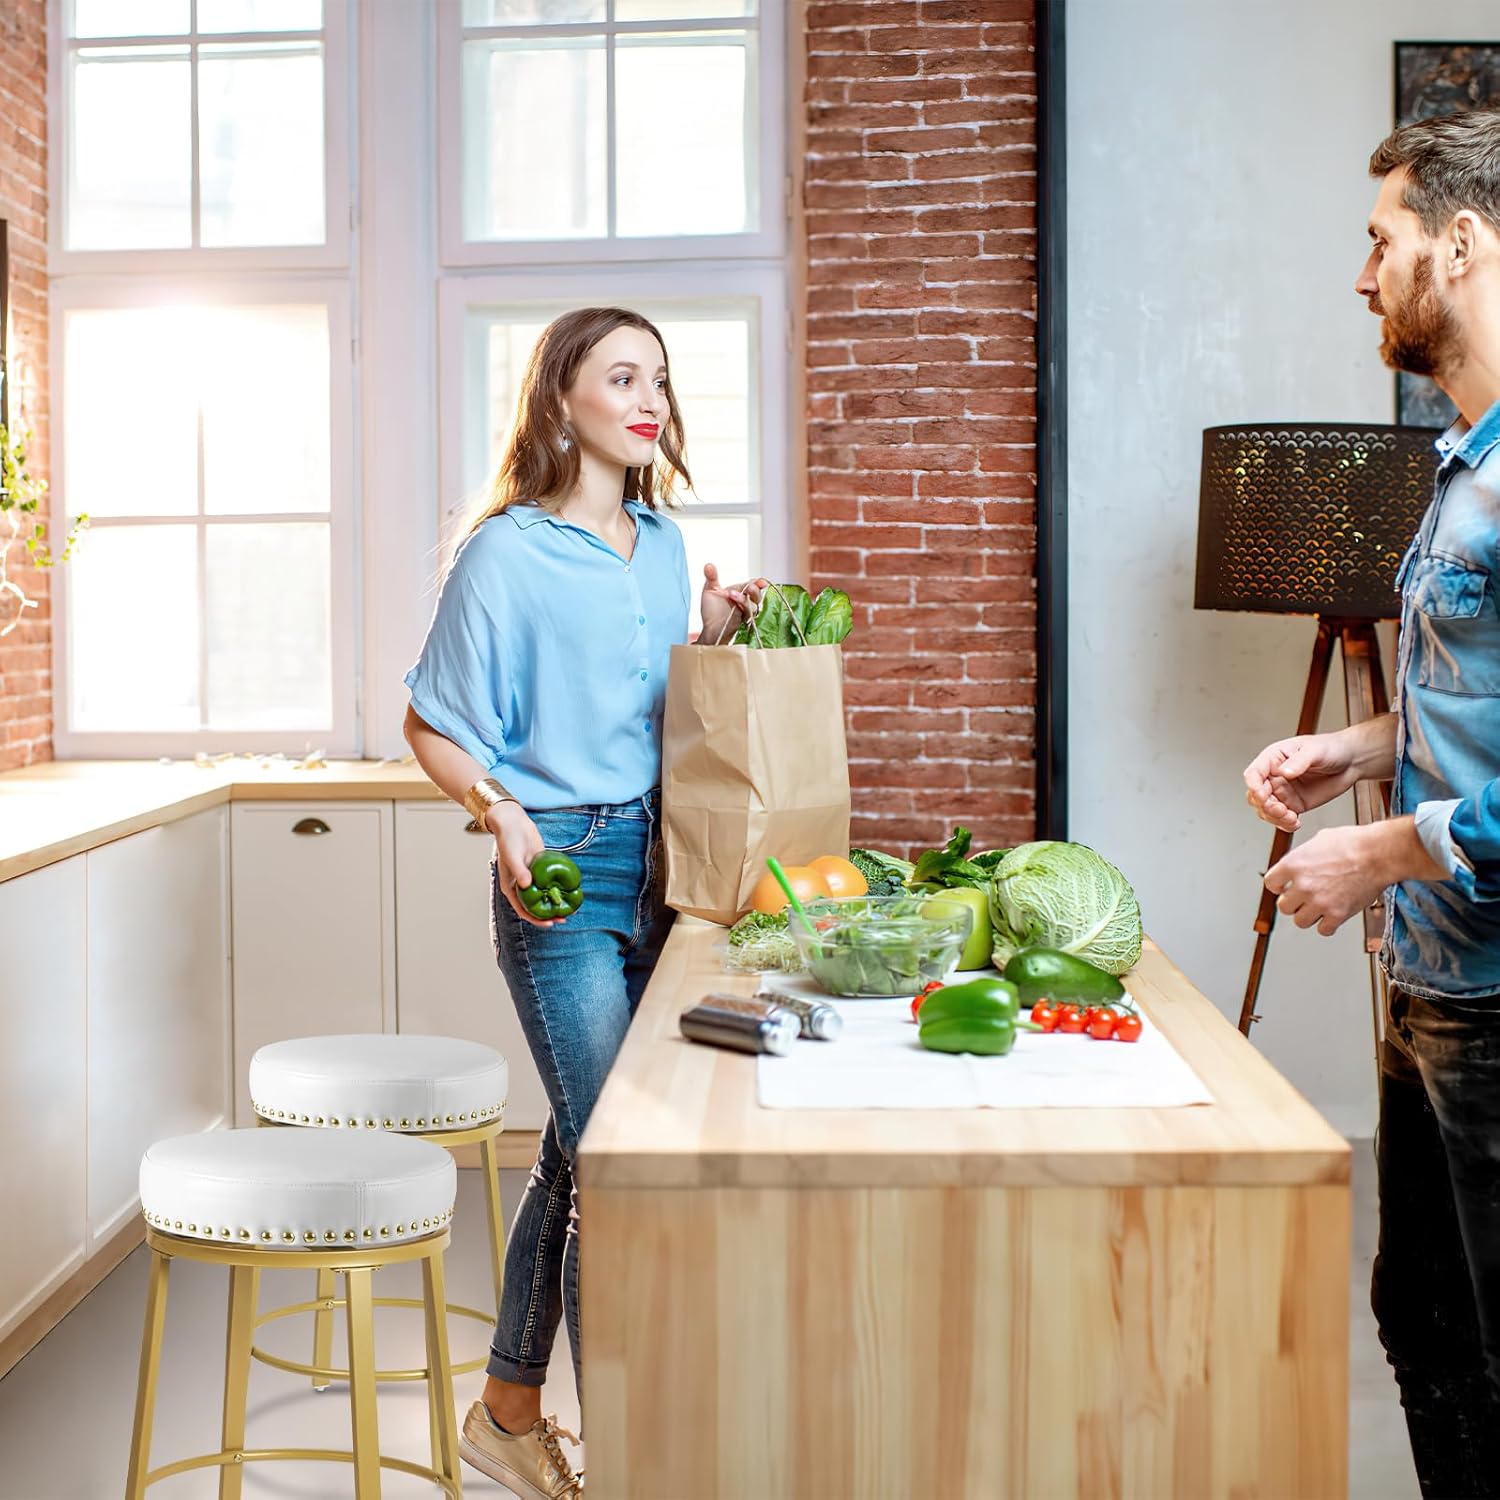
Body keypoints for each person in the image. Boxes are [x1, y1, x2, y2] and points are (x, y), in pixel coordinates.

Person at [403, 306, 766, 1499]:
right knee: (618, 1161)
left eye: (660, 377)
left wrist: (711, 635)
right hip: (557, 864)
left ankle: (508, 1412)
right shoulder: (505, 552)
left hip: (666, 864)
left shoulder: (662, 543)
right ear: (562, 398)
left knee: (579, 1150)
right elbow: (432, 723)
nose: (651, 395)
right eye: (623, 376)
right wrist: (495, 811)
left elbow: (656, 709)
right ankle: (633, 1449)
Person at [1243, 110, 1500, 1498]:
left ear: (1458, 248)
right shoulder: (1462, 466)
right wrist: (1359, 756)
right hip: (1430, 983)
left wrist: (1380, 850)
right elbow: (1482, 706)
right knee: (1424, 1326)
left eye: (1381, 241)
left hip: (1496, 996)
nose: (1364, 275)